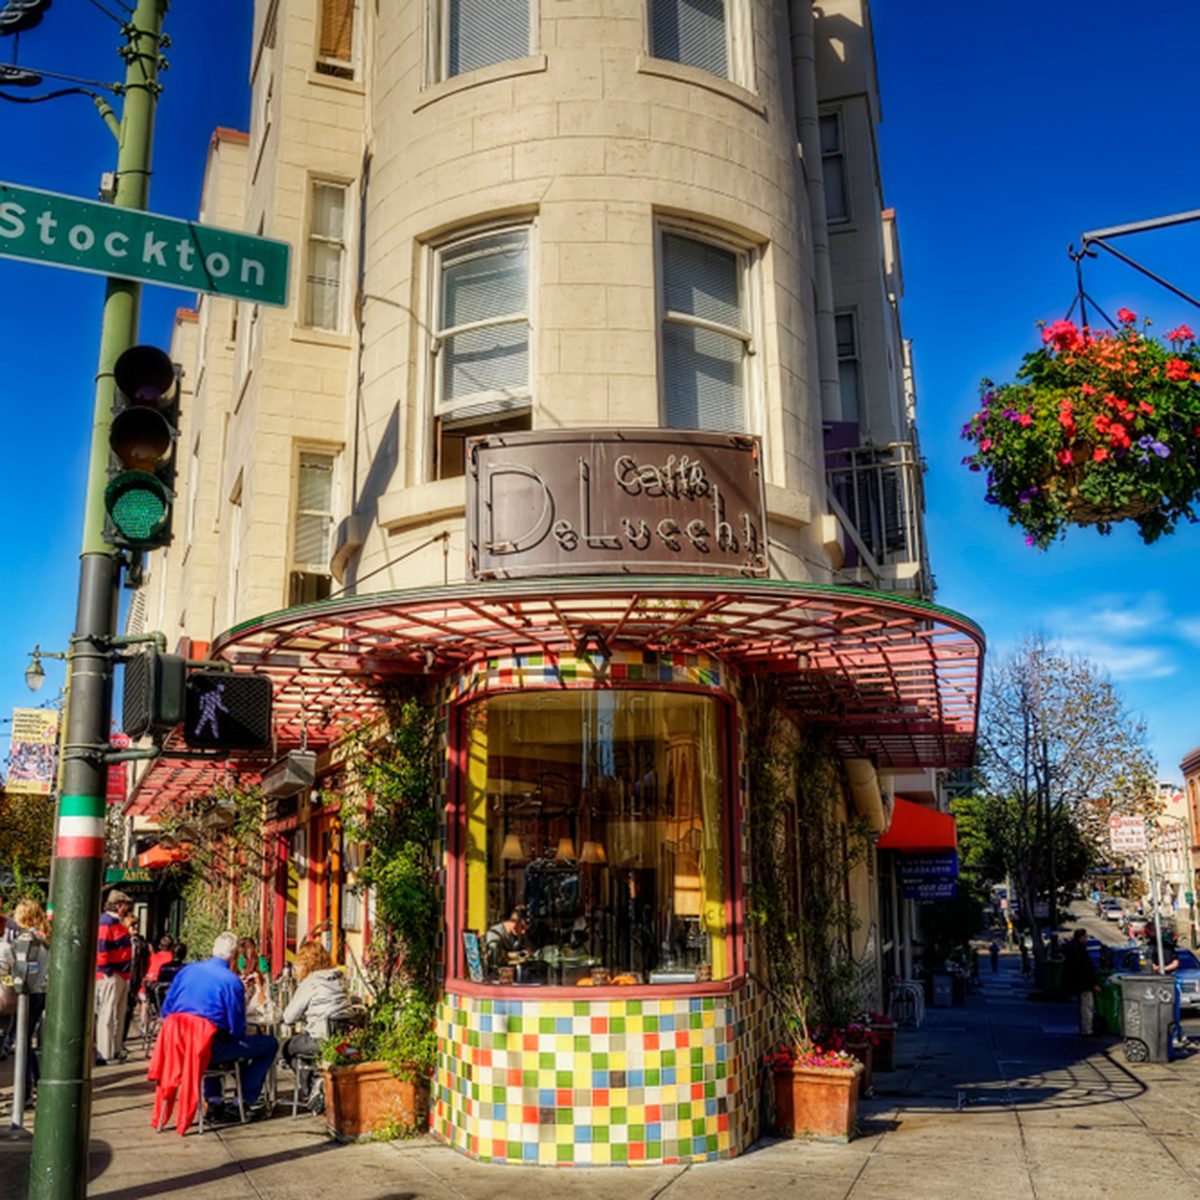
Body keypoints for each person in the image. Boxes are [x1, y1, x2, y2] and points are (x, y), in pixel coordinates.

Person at [160, 930, 279, 1121]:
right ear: (233, 957)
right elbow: (236, 1029)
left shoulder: (187, 971)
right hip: (207, 1047)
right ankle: (242, 1101)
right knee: (269, 1044)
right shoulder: (231, 982)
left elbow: (166, 1011)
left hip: (178, 1048)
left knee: (213, 1042)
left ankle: (214, 1101)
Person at [281, 941, 353, 1069]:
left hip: (320, 1040)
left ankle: (308, 1086)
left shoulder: (311, 982)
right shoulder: (339, 978)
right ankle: (318, 1079)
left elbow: (288, 1017)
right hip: (342, 1041)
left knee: (287, 1048)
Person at [10, 899, 50, 1104]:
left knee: (22, 1041)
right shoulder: (43, 936)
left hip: (29, 991)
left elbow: (21, 966)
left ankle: (29, 1087)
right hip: (40, 990)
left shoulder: (26, 937)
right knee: (25, 1040)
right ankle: (33, 1086)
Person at [95, 890, 134, 1064]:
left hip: (120, 974)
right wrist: (107, 972)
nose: (127, 908)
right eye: (125, 905)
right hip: (111, 975)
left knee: (117, 1014)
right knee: (108, 1015)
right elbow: (101, 949)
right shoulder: (106, 923)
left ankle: (115, 1049)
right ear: (118, 905)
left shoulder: (115, 923)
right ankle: (105, 1052)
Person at [1061, 929, 1098, 1035]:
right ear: (1081, 937)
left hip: (1078, 982)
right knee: (1087, 1007)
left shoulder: (1073, 948)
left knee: (1084, 1006)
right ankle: (1087, 1030)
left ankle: (1085, 1028)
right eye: (1085, 936)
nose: (1086, 938)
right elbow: (1086, 968)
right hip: (1084, 984)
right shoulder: (1079, 950)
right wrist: (1093, 983)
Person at [124, 909, 151, 1044]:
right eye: (132, 925)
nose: (135, 928)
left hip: (134, 980)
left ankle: (121, 1040)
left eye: (136, 925)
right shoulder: (123, 942)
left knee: (129, 1009)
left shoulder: (141, 944)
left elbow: (145, 962)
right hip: (123, 978)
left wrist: (141, 979)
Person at [484, 906, 530, 971]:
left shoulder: (517, 935)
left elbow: (527, 948)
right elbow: (494, 959)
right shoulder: (494, 934)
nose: (523, 932)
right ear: (513, 921)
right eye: (522, 927)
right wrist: (511, 955)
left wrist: (525, 952)